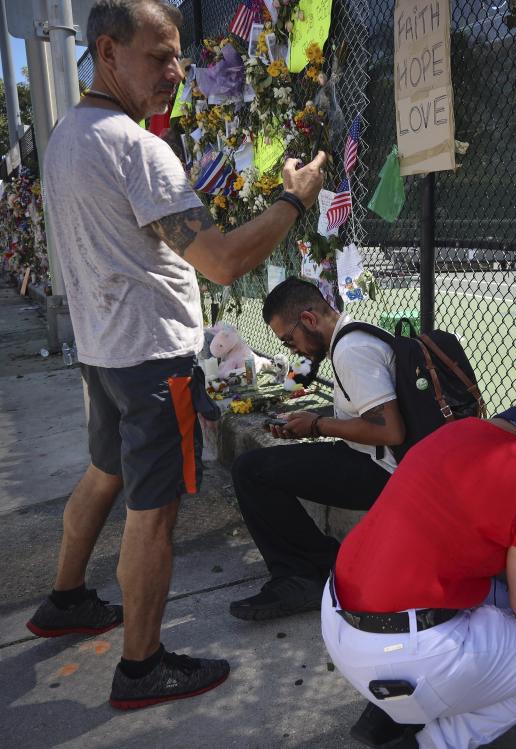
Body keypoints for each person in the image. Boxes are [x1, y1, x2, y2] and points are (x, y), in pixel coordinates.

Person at [25, 0, 327, 710]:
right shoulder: (137, 147)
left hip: (103, 353)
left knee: (104, 474)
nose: (176, 71)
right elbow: (220, 261)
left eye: (177, 56)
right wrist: (292, 201)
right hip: (152, 359)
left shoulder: (69, 136)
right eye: (158, 57)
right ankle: (141, 667)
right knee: (152, 511)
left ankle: (66, 597)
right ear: (107, 53)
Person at [322, 357, 516, 749]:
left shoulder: (457, 430)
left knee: (487, 593)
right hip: (401, 654)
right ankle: (436, 742)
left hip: (339, 618)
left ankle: (389, 715)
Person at [229, 277, 404, 620]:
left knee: (251, 471)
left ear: (308, 320)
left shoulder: (351, 351)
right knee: (258, 467)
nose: (292, 349)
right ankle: (316, 567)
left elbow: (390, 430)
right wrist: (310, 422)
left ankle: (304, 576)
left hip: (386, 473)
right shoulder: (350, 335)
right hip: (371, 459)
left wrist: (317, 425)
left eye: (288, 339)